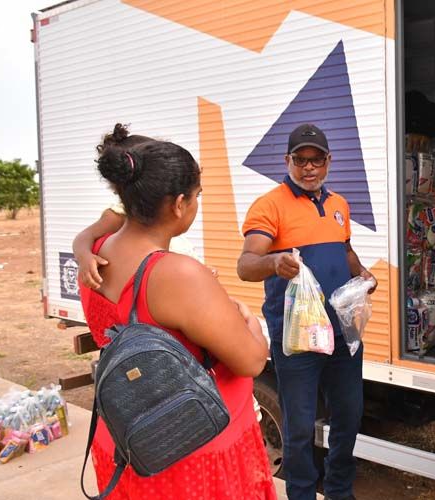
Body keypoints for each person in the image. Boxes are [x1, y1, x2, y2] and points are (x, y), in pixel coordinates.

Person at [78, 124, 277, 499]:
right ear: (179, 204)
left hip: (126, 440)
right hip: (190, 449)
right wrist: (247, 319)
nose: (197, 205)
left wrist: (81, 242)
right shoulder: (176, 273)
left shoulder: (96, 252)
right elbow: (251, 361)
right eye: (197, 195)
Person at [237, 123, 376, 500]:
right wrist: (274, 261)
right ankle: (300, 493)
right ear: (288, 161)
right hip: (298, 338)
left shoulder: (338, 205)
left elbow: (344, 250)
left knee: (348, 417)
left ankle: (339, 490)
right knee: (298, 427)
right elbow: (246, 264)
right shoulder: (270, 205)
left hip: (343, 334)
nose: (309, 168)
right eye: (301, 160)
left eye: (317, 160)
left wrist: (361, 273)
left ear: (328, 162)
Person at [72, 125, 210, 290]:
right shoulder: (120, 214)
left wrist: (201, 274)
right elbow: (85, 236)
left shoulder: (158, 222)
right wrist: (84, 257)